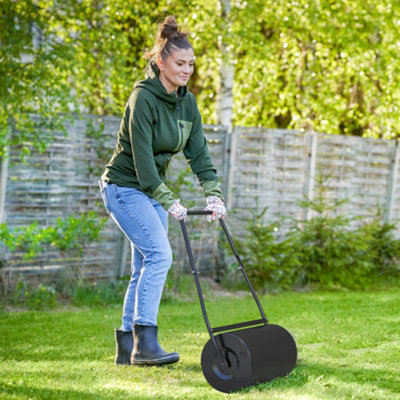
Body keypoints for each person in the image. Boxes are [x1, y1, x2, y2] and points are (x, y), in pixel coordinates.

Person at [99, 15, 227, 367]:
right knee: (160, 256)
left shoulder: (188, 103)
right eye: (180, 63)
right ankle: (146, 344)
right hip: (124, 187)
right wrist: (170, 202)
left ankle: (128, 349)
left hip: (151, 191)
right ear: (161, 63)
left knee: (143, 265)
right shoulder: (143, 98)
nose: (187, 70)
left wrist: (213, 193)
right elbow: (142, 164)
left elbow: (198, 153)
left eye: (191, 64)